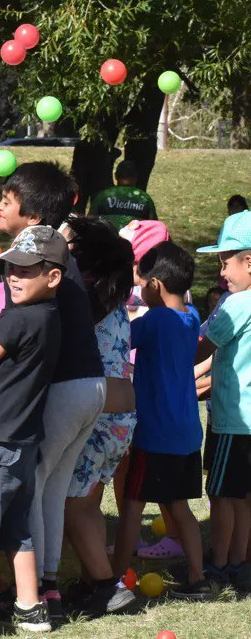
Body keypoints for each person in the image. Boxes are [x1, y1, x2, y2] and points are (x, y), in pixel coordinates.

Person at [0, 162, 105, 620]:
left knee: (35, 486)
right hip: (90, 385)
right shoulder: (62, 255)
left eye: (7, 200)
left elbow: (18, 332)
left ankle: (35, 587)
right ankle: (50, 583)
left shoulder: (33, 258)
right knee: (53, 489)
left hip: (65, 388)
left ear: (33, 216)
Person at [0, 226, 68, 633]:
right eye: (9, 269)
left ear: (53, 276)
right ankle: (28, 606)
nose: (13, 277)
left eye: (25, 270)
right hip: (25, 438)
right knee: (17, 527)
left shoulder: (19, 317)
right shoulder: (51, 316)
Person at [110, 243, 211, 599]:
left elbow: (119, 342)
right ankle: (198, 578)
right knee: (179, 506)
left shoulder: (153, 320)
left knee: (133, 507)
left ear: (153, 284)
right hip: (186, 431)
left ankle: (113, 581)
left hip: (154, 434)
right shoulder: (192, 317)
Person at [57, 217, 138, 616]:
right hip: (120, 417)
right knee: (90, 504)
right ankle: (94, 581)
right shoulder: (115, 302)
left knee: (75, 505)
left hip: (98, 413)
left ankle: (108, 587)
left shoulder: (87, 302)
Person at [196, 210, 251, 591]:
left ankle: (217, 565)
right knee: (242, 496)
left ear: (250, 261)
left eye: (226, 262)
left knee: (220, 494)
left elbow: (201, 347)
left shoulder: (236, 304)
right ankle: (238, 562)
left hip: (231, 418)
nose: (222, 274)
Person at [89, 160, 157, 231]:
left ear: (115, 176)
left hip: (107, 238)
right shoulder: (144, 198)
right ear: (136, 177)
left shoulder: (103, 195)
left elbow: (89, 221)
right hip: (134, 240)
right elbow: (155, 226)